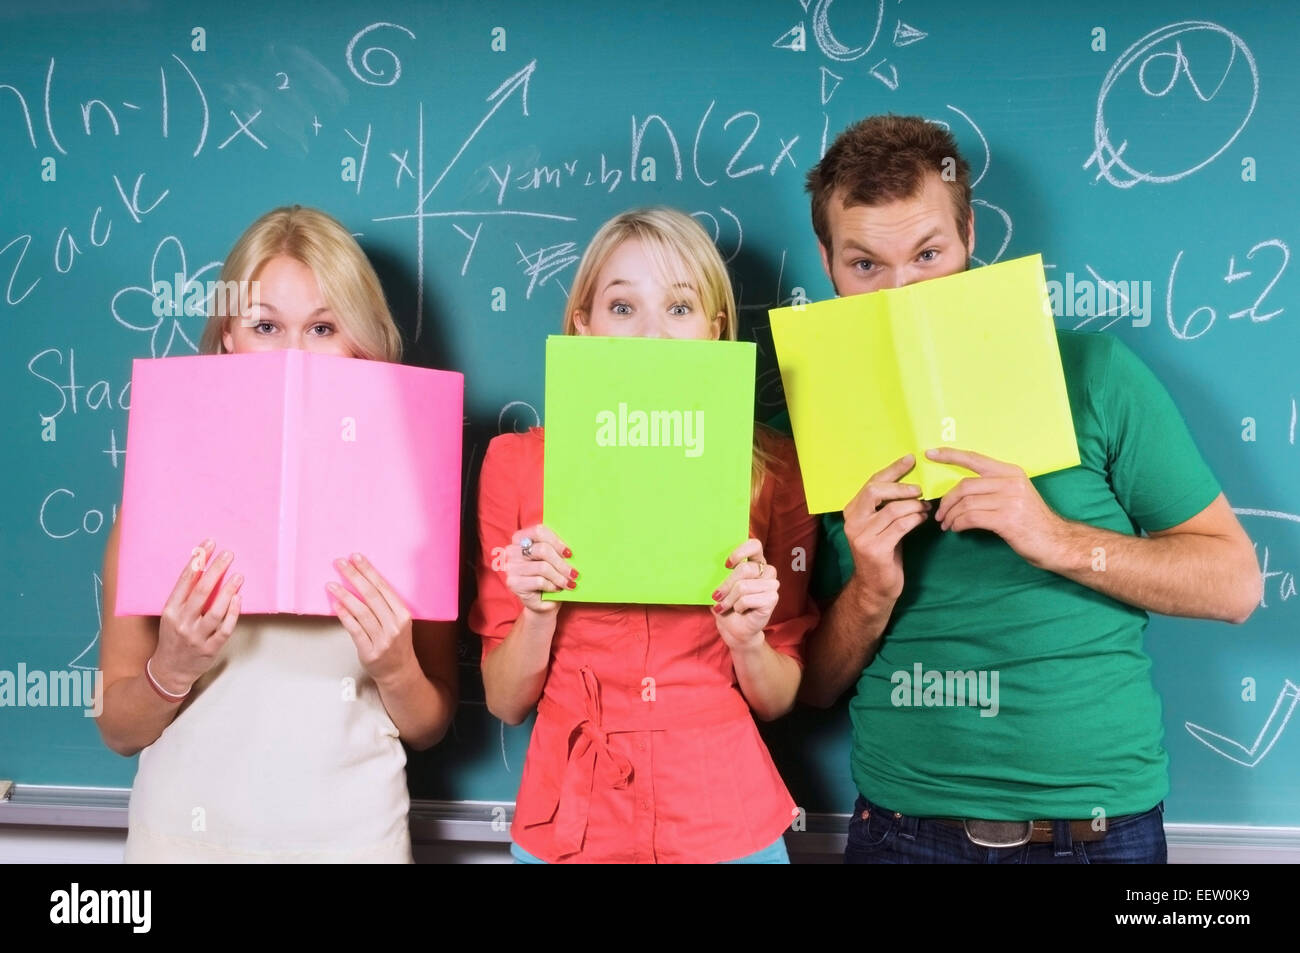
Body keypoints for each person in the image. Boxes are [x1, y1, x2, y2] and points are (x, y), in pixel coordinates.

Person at [791, 115, 1261, 864]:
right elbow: (811, 689)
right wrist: (871, 590)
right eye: (865, 265)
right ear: (827, 263)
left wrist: (1058, 539)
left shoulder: (1094, 373)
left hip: (1098, 831)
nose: (902, 292)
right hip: (903, 829)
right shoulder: (813, 416)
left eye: (927, 254)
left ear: (969, 233)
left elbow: (1234, 585)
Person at [96, 206, 458, 863]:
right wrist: (171, 668)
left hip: (354, 844)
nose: (295, 355)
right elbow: (118, 727)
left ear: (359, 341)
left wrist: (394, 666)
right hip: (184, 843)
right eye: (267, 326)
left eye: (322, 327)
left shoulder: (411, 501)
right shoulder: (157, 499)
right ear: (229, 337)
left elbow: (431, 723)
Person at [469, 207, 820, 863]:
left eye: (680, 308)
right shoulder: (514, 466)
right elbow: (503, 699)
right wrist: (538, 614)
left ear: (715, 331)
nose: (652, 334)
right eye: (623, 307)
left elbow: (777, 698)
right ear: (584, 325)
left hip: (722, 814)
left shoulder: (772, 471)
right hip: (570, 813)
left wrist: (747, 642)